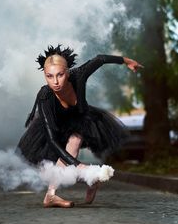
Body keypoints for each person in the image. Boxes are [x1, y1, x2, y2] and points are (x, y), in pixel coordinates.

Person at [17, 45, 143, 208]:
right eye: (49, 76)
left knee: (75, 140)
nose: (55, 82)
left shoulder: (79, 75)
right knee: (57, 166)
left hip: (80, 120)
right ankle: (83, 182)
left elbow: (100, 59)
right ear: (45, 75)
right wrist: (79, 165)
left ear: (67, 72)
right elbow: (52, 139)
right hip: (55, 127)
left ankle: (51, 194)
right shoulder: (45, 96)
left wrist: (127, 61)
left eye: (60, 75)